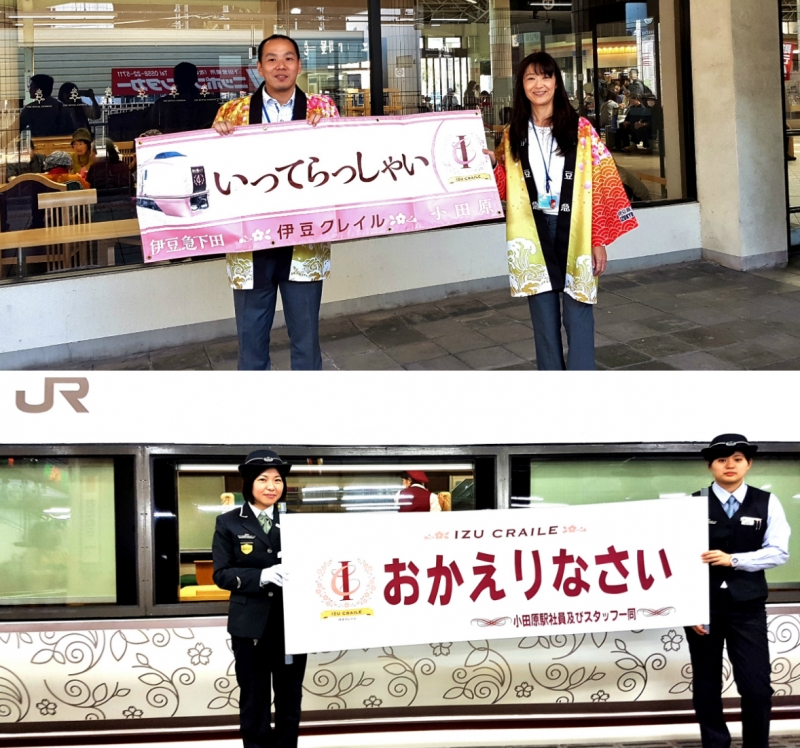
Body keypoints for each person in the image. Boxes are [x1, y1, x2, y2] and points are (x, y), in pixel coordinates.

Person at [485, 51, 637, 370]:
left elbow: (601, 184)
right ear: (521, 86)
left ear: (556, 82)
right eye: (530, 77)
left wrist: (598, 239)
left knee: (578, 312)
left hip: (576, 231)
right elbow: (506, 189)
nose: (538, 84)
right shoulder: (514, 133)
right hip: (533, 231)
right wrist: (494, 164)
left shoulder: (582, 131)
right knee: (543, 319)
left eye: (546, 76)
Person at [213, 35, 339, 371]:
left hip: (305, 236)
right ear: (259, 68)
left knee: (306, 336)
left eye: (288, 58)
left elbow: (341, 165)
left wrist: (330, 133)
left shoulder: (321, 108)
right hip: (250, 239)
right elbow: (214, 169)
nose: (280, 66)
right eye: (271, 59)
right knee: (250, 339)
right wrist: (216, 137)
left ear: (299, 65)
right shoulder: (232, 111)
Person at [687, 435, 790, 748]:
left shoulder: (767, 502)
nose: (729, 465)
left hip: (748, 607)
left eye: (737, 459)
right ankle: (715, 744)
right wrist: (688, 606)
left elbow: (779, 551)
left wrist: (734, 560)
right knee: (706, 685)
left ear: (749, 463)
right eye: (721, 459)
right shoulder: (692, 502)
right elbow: (678, 557)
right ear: (710, 465)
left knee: (757, 686)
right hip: (702, 607)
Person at [212, 449, 306, 748]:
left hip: (292, 625)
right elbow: (222, 574)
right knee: (254, 699)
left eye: (277, 480)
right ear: (249, 484)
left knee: (290, 699)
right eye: (263, 479)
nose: (271, 486)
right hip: (250, 626)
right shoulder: (228, 522)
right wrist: (262, 576)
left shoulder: (296, 522)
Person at [147, 62, 220, 134]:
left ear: (175, 79)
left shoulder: (162, 103)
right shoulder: (209, 101)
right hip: (204, 142)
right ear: (196, 78)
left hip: (172, 143)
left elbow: (152, 129)